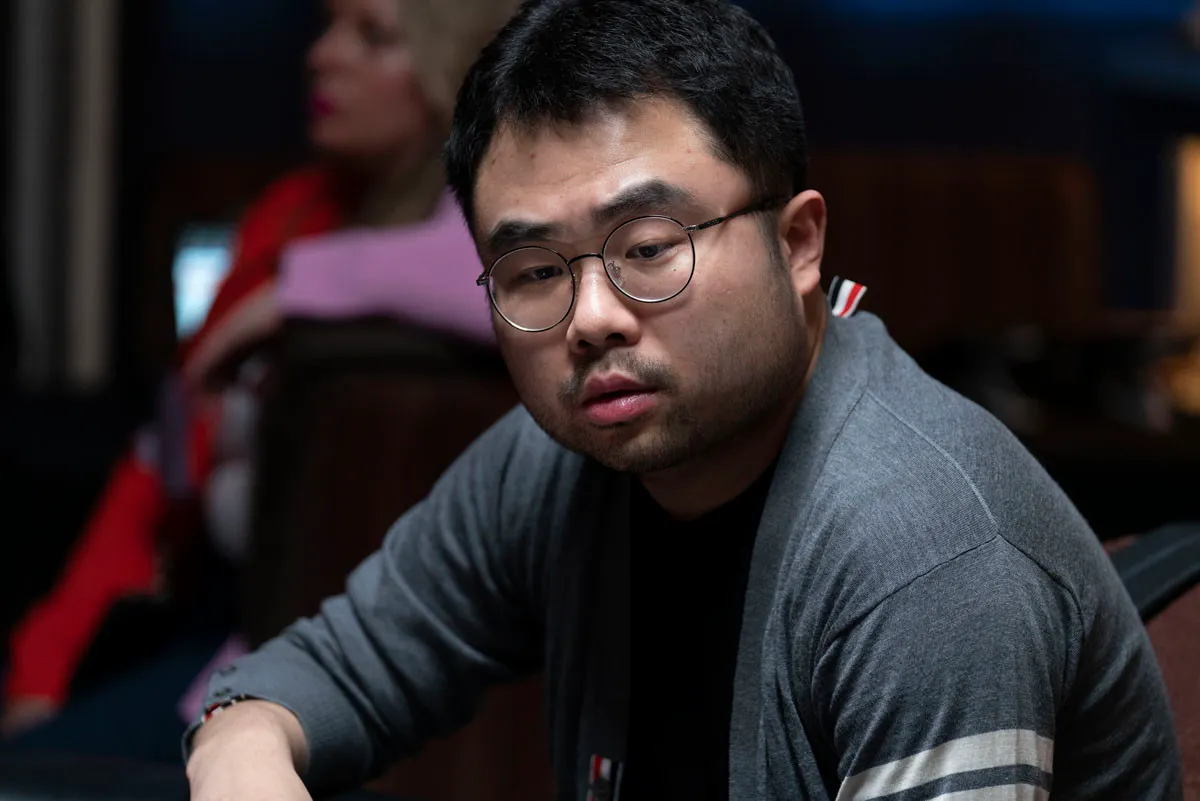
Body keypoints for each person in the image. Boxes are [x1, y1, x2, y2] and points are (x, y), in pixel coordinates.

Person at [184, 1, 1183, 799]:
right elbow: (340, 666)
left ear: (798, 243)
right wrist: (240, 744)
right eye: (535, 270)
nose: (591, 319)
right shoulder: (558, 460)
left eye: (650, 248)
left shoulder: (927, 557)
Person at [1, 0, 518, 759]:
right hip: (209, 620)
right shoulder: (287, 215)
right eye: (329, 26)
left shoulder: (471, 212)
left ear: (452, 71)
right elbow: (160, 465)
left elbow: (509, 272)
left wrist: (293, 288)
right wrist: (43, 666)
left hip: (326, 662)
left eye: (373, 38)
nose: (321, 56)